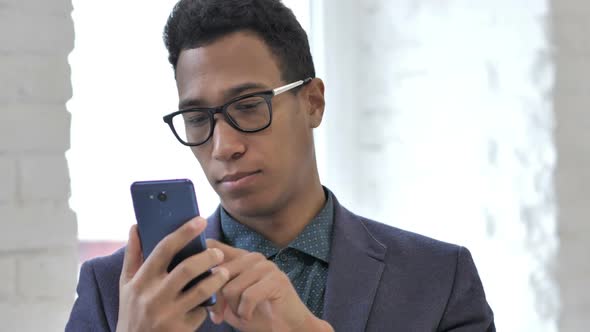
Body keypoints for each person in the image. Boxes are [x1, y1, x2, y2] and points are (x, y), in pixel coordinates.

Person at [66, 0, 495, 331]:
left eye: (249, 107)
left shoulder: (438, 278)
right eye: (198, 119)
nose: (223, 146)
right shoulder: (116, 295)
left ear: (313, 102)